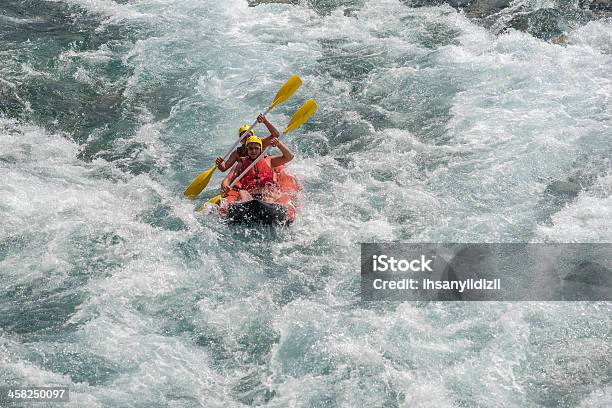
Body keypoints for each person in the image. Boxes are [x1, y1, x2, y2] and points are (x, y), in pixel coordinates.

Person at [221, 134, 294, 202]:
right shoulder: (240, 164)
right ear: (247, 150)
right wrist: (225, 187)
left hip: (267, 193)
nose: (253, 151)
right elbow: (227, 180)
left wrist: (279, 144)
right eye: (251, 148)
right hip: (250, 195)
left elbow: (289, 157)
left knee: (270, 193)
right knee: (242, 193)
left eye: (256, 148)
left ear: (261, 149)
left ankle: (270, 209)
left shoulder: (269, 160)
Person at [215, 113, 279, 172]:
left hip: (265, 170)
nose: (247, 139)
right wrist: (220, 163)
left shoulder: (261, 144)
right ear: (240, 140)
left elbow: (275, 135)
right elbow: (224, 168)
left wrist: (265, 121)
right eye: (244, 137)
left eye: (249, 136)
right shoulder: (237, 153)